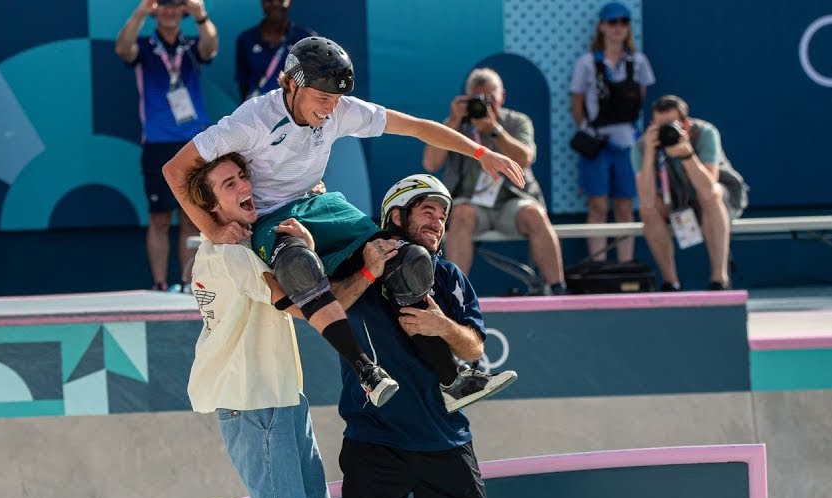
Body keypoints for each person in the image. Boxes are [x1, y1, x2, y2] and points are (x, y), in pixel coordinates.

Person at [164, 36, 523, 408]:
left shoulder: (341, 110)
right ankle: (366, 372)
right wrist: (214, 229)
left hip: (318, 205)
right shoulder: (251, 121)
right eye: (323, 98)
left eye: (336, 100)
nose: (331, 109)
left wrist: (482, 152)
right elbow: (175, 168)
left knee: (407, 259)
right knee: (299, 266)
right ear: (292, 84)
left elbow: (416, 127)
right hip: (270, 219)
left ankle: (453, 381)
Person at [183, 152, 390, 498]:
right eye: (229, 185)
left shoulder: (238, 249)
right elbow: (309, 305)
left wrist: (359, 267)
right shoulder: (232, 257)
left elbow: (316, 302)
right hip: (255, 404)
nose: (244, 187)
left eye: (244, 177)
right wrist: (322, 254)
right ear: (209, 206)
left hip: (277, 398)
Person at [327, 173, 522, 498]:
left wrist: (442, 326)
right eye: (426, 210)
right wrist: (370, 273)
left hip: (444, 436)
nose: (438, 219)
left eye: (442, 212)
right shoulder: (360, 264)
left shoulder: (452, 277)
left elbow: (474, 345)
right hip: (374, 436)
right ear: (395, 216)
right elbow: (323, 308)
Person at [423, 67, 566, 295]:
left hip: (511, 200)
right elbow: (430, 163)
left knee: (535, 213)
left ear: (503, 97)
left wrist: (495, 131)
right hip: (470, 202)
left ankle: (557, 288)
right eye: (478, 99)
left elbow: (525, 158)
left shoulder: (517, 122)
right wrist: (452, 121)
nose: (485, 105)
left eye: (490, 99)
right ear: (466, 98)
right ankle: (456, 294)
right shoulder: (456, 124)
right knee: (460, 213)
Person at [117, 0, 217, 292]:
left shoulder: (192, 44)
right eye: (164, 5)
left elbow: (211, 48)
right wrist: (139, 12)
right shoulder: (145, 46)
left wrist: (201, 15)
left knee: (191, 215)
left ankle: (189, 284)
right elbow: (123, 50)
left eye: (176, 5)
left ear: (184, 10)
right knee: (159, 218)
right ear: (155, 9)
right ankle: (160, 284)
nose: (170, 11)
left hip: (193, 141)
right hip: (158, 142)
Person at [569, 2, 655, 264]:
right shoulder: (587, 63)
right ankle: (598, 264)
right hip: (597, 142)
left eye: (624, 22)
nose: (619, 27)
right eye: (613, 22)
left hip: (627, 142)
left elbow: (639, 100)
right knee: (597, 204)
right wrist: (588, 132)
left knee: (625, 205)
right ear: (602, 26)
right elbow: (577, 103)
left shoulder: (638, 62)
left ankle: (625, 264)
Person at [632, 95, 745, 291]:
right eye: (660, 127)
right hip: (676, 199)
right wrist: (650, 154)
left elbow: (708, 186)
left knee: (711, 194)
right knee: (648, 208)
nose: (665, 132)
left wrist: (687, 155)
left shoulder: (705, 133)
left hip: (718, 199)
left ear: (685, 123)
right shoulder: (643, 145)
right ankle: (671, 282)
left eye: (671, 125)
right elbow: (646, 198)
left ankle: (719, 279)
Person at [234, 0, 314, 100]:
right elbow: (243, 83)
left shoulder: (307, 40)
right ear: (262, 2)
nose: (275, 3)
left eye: (281, 0)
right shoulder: (245, 39)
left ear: (290, 2)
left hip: (294, 112)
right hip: (258, 111)